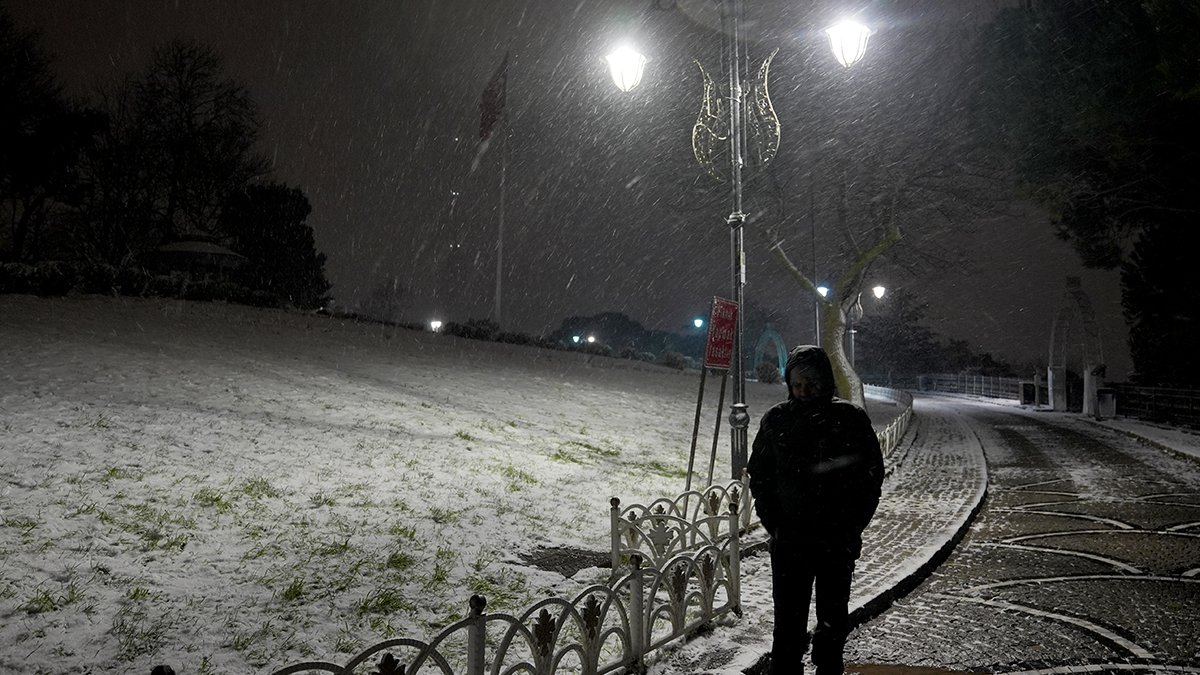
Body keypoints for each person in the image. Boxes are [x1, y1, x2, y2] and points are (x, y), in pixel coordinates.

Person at [747, 345, 885, 675]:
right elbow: (760, 476)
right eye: (796, 384)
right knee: (787, 622)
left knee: (832, 619)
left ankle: (828, 667)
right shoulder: (777, 420)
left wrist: (852, 526)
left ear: (825, 381)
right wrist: (774, 524)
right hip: (790, 540)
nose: (804, 391)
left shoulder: (849, 419)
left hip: (836, 541)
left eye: (811, 383)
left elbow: (870, 477)